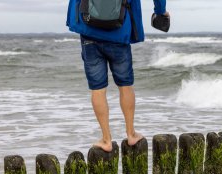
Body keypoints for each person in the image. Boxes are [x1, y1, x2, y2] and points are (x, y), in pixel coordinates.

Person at [67, 0, 169, 152]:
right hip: (119, 31)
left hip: (89, 30)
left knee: (97, 89)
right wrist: (161, 11)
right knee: (125, 85)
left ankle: (106, 139)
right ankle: (131, 133)